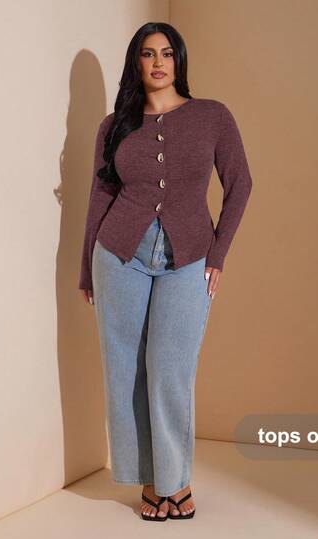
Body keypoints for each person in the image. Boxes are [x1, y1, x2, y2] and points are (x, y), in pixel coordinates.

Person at [79, 22, 253, 522]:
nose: (158, 62)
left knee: (170, 369)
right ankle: (151, 482)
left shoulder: (212, 116)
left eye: (167, 53)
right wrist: (87, 268)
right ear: (136, 62)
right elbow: (100, 196)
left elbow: (240, 184)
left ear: (179, 60)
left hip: (189, 255)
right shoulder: (114, 126)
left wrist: (217, 254)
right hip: (119, 255)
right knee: (125, 369)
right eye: (148, 54)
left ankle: (177, 480)